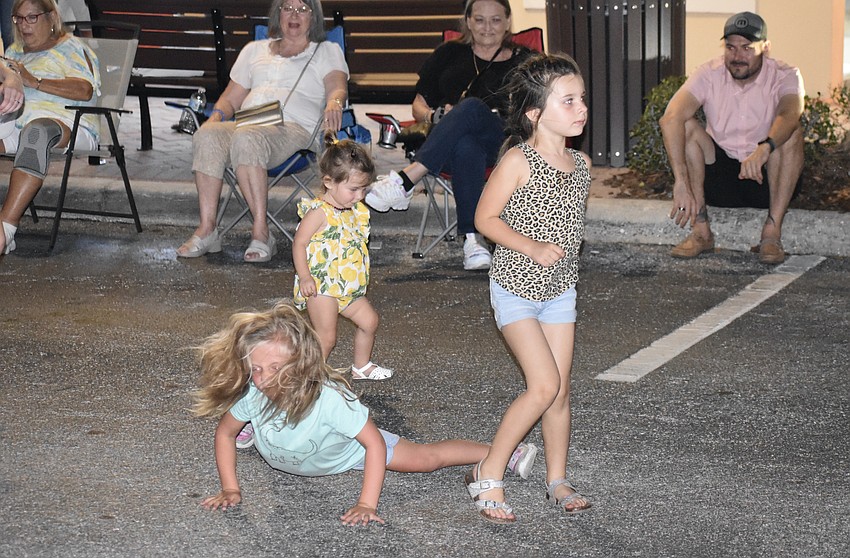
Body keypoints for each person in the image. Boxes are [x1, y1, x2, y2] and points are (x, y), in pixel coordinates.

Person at [192, 301, 539, 525]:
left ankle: (499, 453)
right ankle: (263, 435)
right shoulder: (256, 393)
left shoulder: (331, 401)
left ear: (303, 363)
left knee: (426, 459)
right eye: (255, 369)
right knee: (246, 422)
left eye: (273, 368)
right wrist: (230, 489)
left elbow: (373, 446)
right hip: (307, 449)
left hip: (349, 450)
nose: (263, 379)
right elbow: (223, 432)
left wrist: (366, 504)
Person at [470, 53, 592, 523]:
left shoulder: (580, 164)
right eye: (568, 101)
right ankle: (489, 471)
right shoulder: (518, 160)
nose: (580, 108)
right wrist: (532, 247)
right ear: (535, 113)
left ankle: (557, 478)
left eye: (581, 98)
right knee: (542, 386)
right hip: (516, 288)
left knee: (559, 392)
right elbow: (484, 219)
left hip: (560, 291)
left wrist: (558, 258)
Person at [363, 0, 535, 271]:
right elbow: (419, 105)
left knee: (471, 107)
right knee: (465, 144)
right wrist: (434, 116)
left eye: (495, 20)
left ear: (508, 23)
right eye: (479, 20)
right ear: (468, 21)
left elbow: (539, 108)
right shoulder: (448, 53)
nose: (487, 27)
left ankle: (408, 178)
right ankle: (473, 241)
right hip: (444, 147)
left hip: (503, 146)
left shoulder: (525, 61)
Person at [176, 0, 348, 263]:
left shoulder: (326, 50)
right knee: (206, 135)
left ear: (313, 17)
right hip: (247, 123)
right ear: (277, 13)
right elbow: (231, 99)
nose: (294, 15)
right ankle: (208, 229)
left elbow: (337, 87)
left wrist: (335, 103)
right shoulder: (254, 49)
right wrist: (217, 117)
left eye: (302, 9)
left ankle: (261, 231)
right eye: (288, 7)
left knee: (248, 138)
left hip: (293, 129)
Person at [659, 11, 805, 265]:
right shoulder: (709, 72)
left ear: (765, 48)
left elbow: (790, 112)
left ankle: (771, 234)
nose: (738, 56)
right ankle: (701, 231)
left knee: (791, 134)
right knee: (688, 128)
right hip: (720, 177)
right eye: (731, 47)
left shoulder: (785, 74)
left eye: (747, 48)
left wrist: (764, 148)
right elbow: (670, 118)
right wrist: (680, 181)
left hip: (766, 177)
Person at [292, 132, 394, 382]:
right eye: (354, 189)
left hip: (348, 287)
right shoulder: (319, 213)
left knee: (370, 321)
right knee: (326, 338)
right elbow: (299, 243)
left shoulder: (352, 210)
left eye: (363, 189)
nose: (359, 196)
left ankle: (361, 366)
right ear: (329, 182)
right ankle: (306, 380)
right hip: (322, 286)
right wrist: (305, 276)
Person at [0, 0, 99, 256]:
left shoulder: (72, 47)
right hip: (15, 123)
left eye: (32, 17)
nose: (24, 25)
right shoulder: (13, 52)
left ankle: (5, 229)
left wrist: (34, 81)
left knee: (36, 133)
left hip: (66, 123)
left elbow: (85, 90)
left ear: (51, 17)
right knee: (28, 131)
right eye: (19, 19)